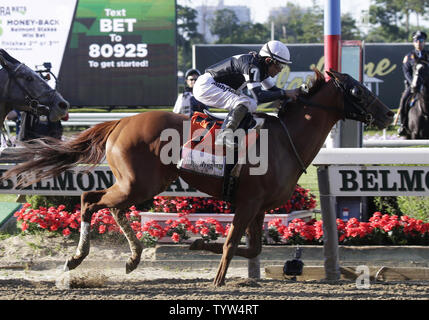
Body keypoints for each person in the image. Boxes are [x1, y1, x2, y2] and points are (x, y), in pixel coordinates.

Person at [193, 40, 300, 149]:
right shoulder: (253, 66)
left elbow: (273, 90)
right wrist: (285, 93)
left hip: (211, 85)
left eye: (283, 66)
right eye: (280, 66)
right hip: (207, 85)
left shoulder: (261, 67)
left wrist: (295, 93)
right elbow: (258, 95)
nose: (280, 70)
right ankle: (224, 135)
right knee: (246, 101)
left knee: (251, 105)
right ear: (268, 60)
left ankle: (235, 138)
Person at [398, 30, 429, 136]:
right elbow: (406, 72)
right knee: (404, 101)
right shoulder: (409, 56)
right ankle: (403, 125)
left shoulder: (428, 55)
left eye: (421, 40)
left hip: (427, 85)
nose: (419, 43)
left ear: (424, 42)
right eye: (416, 40)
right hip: (413, 86)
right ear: (413, 42)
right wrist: (413, 83)